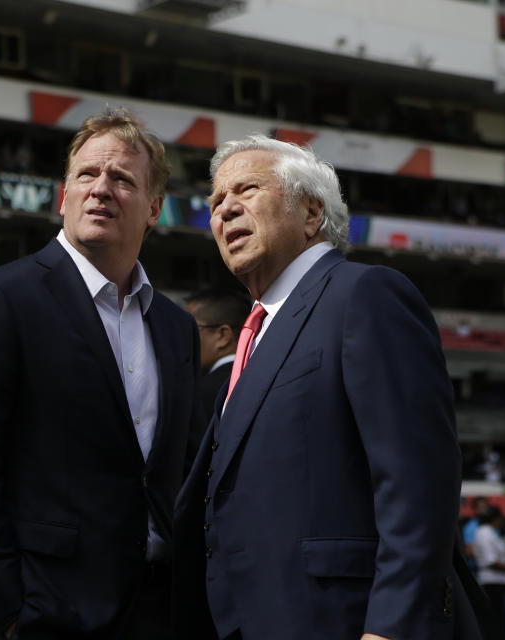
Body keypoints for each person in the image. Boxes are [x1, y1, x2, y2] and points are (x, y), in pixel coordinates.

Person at [173, 134, 480, 640]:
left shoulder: (364, 294)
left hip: (343, 621)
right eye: (215, 202)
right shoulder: (257, 329)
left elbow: (417, 481)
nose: (224, 210)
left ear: (311, 213)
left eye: (246, 189)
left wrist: (392, 627)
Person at [0, 108, 202, 640]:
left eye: (122, 178)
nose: (101, 188)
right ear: (64, 196)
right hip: (40, 612)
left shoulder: (176, 327)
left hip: (155, 611)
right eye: (86, 175)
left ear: (154, 209)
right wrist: (5, 610)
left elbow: (179, 474)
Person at [185, 289, 251, 425]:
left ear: (223, 336)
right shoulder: (264, 381)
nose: (181, 337)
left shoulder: (199, 394)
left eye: (189, 328)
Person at [472, 506, 505, 633]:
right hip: (493, 581)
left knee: (503, 616)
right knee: (499, 617)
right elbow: (490, 560)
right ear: (495, 519)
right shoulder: (484, 533)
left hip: (500, 581)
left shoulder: (490, 532)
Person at [465, 496, 492, 570]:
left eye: (486, 507)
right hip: (478, 569)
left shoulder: (491, 525)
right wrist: (490, 558)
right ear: (475, 510)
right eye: (482, 507)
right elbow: (469, 551)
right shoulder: (471, 527)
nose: (485, 510)